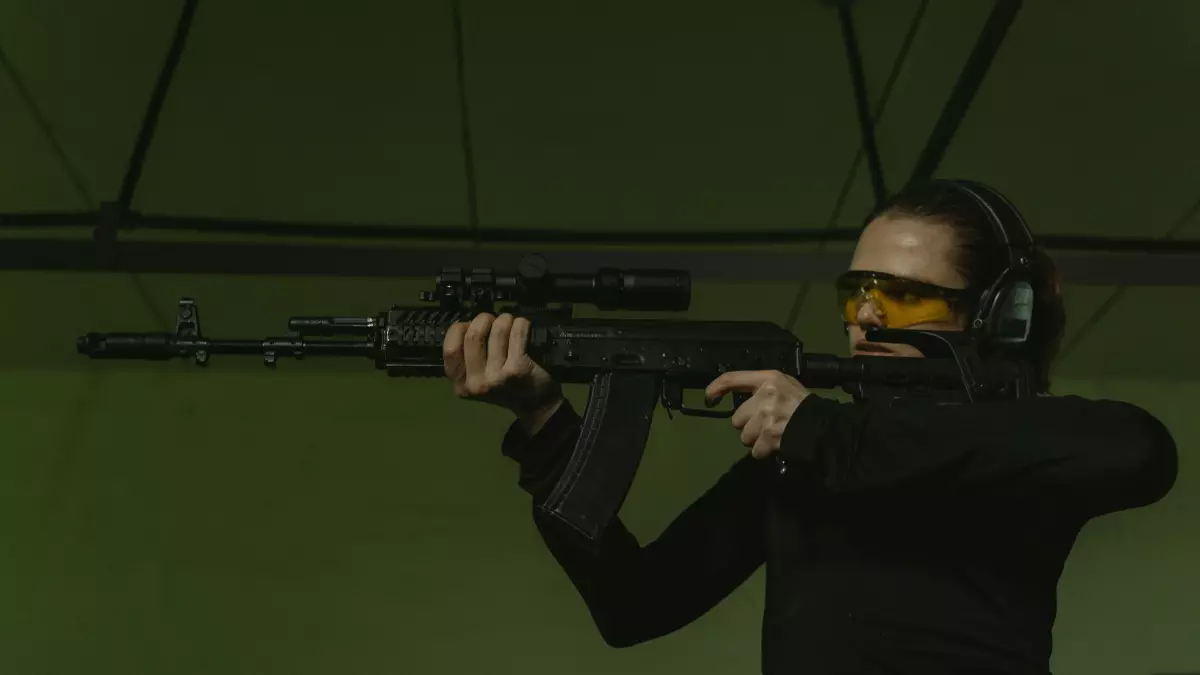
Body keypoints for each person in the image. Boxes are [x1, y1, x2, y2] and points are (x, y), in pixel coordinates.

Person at [441, 180, 1178, 675]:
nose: (865, 314)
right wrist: (542, 421)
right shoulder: (803, 459)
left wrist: (822, 432)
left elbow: (1141, 451)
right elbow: (637, 603)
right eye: (857, 289)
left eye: (904, 296)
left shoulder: (1001, 446)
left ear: (994, 313)